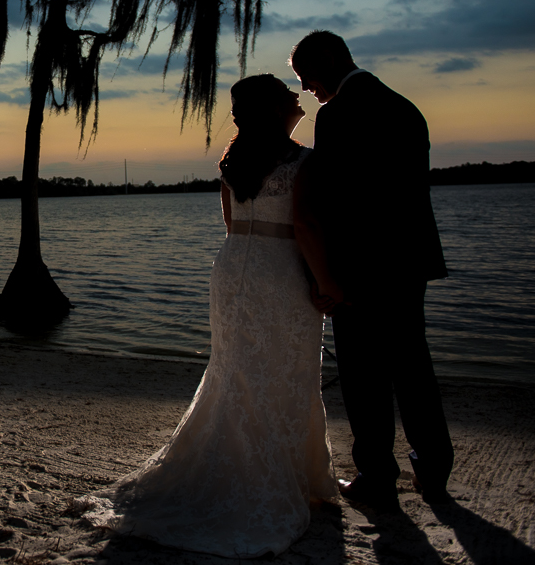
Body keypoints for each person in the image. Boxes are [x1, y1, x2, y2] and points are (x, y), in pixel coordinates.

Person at [79, 74, 338, 558]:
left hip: (233, 268)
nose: (296, 96)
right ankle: (275, 479)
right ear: (273, 109)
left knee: (236, 373)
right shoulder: (303, 161)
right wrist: (325, 282)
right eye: (287, 93)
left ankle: (261, 469)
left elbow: (231, 223)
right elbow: (305, 224)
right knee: (283, 373)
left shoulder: (233, 160)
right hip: (280, 275)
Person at [290, 30, 453, 512]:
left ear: (328, 60)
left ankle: (377, 474)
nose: (306, 89)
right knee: (412, 363)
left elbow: (339, 204)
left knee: (364, 373)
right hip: (410, 261)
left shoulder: (339, 115)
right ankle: (434, 467)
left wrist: (328, 277)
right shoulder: (405, 108)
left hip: (361, 265)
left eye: (306, 77)